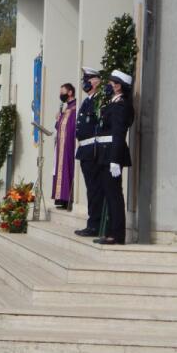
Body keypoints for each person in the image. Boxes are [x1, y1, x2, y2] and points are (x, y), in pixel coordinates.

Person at [94, 70, 134, 245]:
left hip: (112, 155)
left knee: (114, 196)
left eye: (111, 83)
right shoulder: (113, 103)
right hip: (106, 154)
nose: (108, 86)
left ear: (118, 86)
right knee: (109, 195)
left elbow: (118, 134)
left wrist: (115, 160)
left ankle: (117, 235)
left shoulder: (121, 105)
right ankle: (111, 232)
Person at [74, 68, 105, 237]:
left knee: (95, 190)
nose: (85, 83)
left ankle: (95, 225)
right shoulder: (88, 101)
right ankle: (93, 223)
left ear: (97, 81)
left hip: (93, 151)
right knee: (91, 190)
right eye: (84, 79)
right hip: (85, 151)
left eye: (88, 79)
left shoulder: (99, 100)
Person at [52, 83, 77, 210]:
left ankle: (67, 198)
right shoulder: (66, 108)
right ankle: (61, 198)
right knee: (60, 170)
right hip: (61, 145)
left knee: (67, 169)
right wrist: (58, 119)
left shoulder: (75, 108)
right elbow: (59, 127)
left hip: (69, 145)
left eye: (62, 92)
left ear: (70, 92)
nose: (60, 95)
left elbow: (72, 127)